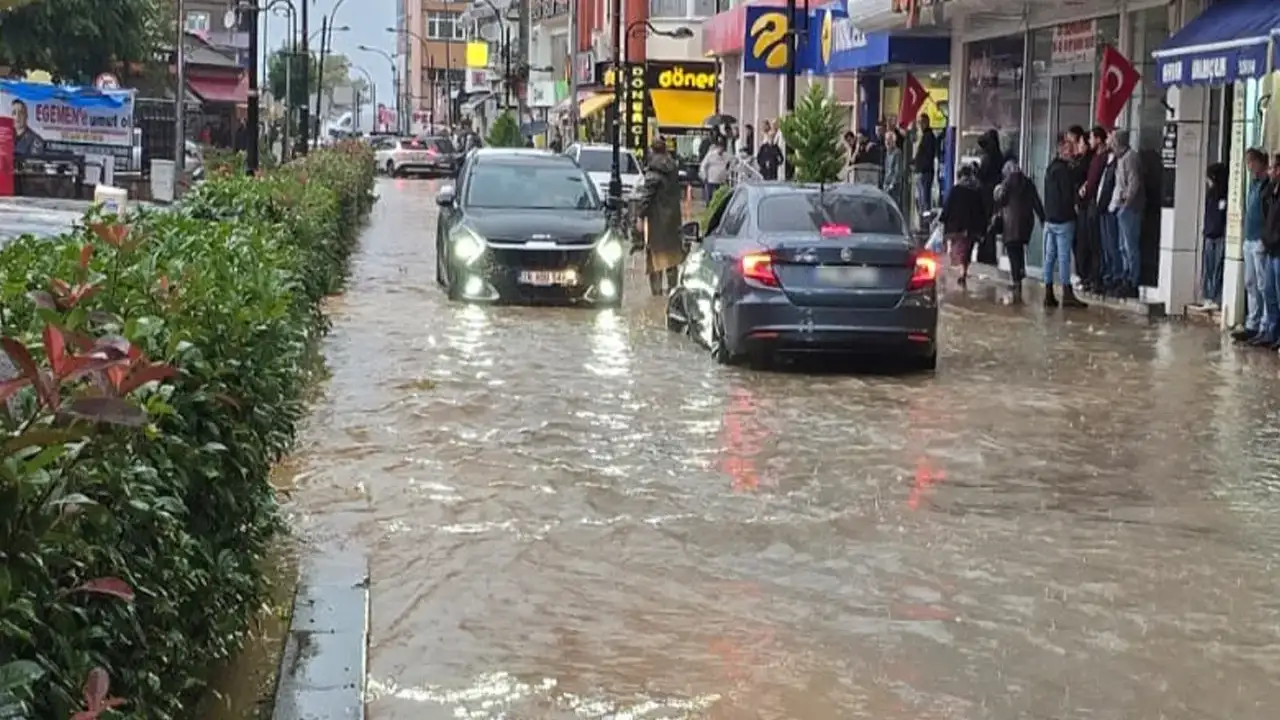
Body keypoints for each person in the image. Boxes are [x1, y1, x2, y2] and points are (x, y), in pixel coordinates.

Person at [1042, 133, 1087, 308]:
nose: (1071, 151)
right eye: (1069, 149)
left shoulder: (1050, 169)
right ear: (1061, 150)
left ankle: (1048, 293)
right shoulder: (1064, 171)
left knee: (1049, 257)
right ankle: (1067, 293)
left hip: (1050, 219)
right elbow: (1068, 195)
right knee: (1063, 257)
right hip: (1063, 220)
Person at [637, 136, 685, 297]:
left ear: (652, 150)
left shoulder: (653, 172)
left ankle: (656, 295)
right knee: (672, 257)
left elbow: (646, 198)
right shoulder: (673, 168)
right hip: (673, 219)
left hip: (656, 220)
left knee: (654, 258)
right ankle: (672, 293)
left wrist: (639, 217)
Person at [1233, 149, 1270, 342]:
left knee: (1263, 284)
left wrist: (1265, 237)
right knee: (1250, 283)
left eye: (1251, 162)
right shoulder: (1253, 185)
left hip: (1260, 240)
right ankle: (1252, 322)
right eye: (1247, 163)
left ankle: (1265, 325)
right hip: (1249, 238)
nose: (1249, 167)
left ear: (1260, 163)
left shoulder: (1267, 185)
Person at [994, 159, 1044, 303]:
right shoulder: (1028, 183)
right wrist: (1042, 218)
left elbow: (1001, 200)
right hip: (1026, 223)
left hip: (1010, 223)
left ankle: (1016, 280)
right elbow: (1036, 201)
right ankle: (1020, 275)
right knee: (1019, 249)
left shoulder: (1007, 183)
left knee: (1012, 251)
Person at [1109, 129, 1144, 297]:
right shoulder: (1121, 158)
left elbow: (1133, 183)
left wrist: (1126, 204)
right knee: (1122, 246)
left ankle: (1133, 280)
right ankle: (1125, 276)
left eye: (1114, 143)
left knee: (1130, 246)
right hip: (1121, 207)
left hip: (1130, 208)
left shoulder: (1130, 158)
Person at [939, 164, 986, 286]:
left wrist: (942, 219)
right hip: (971, 228)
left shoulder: (956, 190)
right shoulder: (976, 191)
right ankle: (963, 270)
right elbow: (981, 211)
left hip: (956, 227)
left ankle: (961, 271)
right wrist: (982, 228)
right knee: (966, 251)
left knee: (958, 250)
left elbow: (947, 207)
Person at [1201, 163, 1228, 310]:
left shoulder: (1223, 194)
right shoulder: (1210, 194)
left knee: (1217, 268)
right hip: (1210, 235)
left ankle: (1216, 298)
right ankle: (1208, 297)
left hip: (1219, 236)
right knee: (1209, 268)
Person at [913, 116, 938, 214]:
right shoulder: (926, 136)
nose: (920, 126)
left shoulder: (928, 137)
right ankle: (923, 220)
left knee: (924, 198)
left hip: (925, 173)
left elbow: (927, 156)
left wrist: (919, 167)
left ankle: (925, 223)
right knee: (921, 198)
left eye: (921, 123)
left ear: (925, 123)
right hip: (923, 172)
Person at [882, 130, 902, 204]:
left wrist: (892, 184)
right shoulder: (887, 152)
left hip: (894, 185)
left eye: (889, 140)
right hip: (886, 183)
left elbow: (898, 170)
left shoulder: (897, 152)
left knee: (893, 204)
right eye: (886, 140)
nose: (887, 142)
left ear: (894, 141)